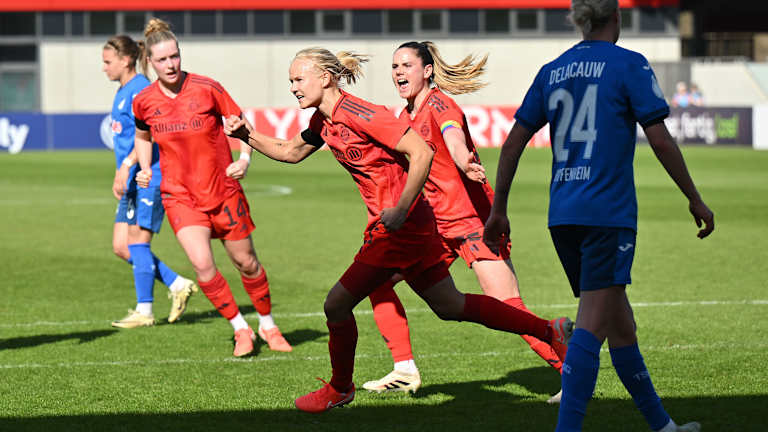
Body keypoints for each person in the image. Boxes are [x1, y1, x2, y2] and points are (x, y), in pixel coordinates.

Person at [223, 47, 574, 413]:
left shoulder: (363, 114)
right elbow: (290, 151)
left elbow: (421, 151)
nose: (293, 87)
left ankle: (341, 387)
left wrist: (402, 207)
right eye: (291, 80)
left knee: (336, 304)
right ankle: (549, 330)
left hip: (401, 229)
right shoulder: (322, 121)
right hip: (416, 226)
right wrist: (247, 134)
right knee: (449, 305)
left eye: (298, 79)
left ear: (324, 78)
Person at [484, 1, 714, 431]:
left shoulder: (552, 69)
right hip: (607, 213)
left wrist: (499, 209)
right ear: (616, 18)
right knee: (592, 323)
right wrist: (694, 198)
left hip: (563, 214)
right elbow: (660, 140)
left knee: (619, 322)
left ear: (579, 20)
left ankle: (663, 426)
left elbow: (513, 141)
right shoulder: (629, 64)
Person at [360, 41, 566, 400]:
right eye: (394, 67)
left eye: (406, 65)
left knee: (507, 306)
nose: (398, 73)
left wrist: (462, 158)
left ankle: (570, 369)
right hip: (433, 227)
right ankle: (404, 367)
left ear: (426, 71)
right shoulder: (403, 117)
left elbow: (453, 136)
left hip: (472, 220)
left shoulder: (440, 104)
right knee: (375, 278)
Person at [132, 18, 292, 356]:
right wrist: (144, 167)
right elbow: (142, 135)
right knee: (203, 265)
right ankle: (240, 328)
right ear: (150, 61)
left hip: (223, 190)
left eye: (174, 56)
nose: (171, 64)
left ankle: (267, 323)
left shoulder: (207, 87)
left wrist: (245, 159)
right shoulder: (144, 101)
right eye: (162, 60)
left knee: (246, 262)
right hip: (179, 196)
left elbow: (241, 124)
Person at [102, 34, 197, 328]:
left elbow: (152, 132)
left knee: (138, 243)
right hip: (131, 180)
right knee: (122, 246)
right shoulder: (123, 91)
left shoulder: (142, 89)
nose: (104, 68)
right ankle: (177, 283)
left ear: (126, 60)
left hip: (150, 176)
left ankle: (145, 310)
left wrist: (129, 165)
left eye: (108, 62)